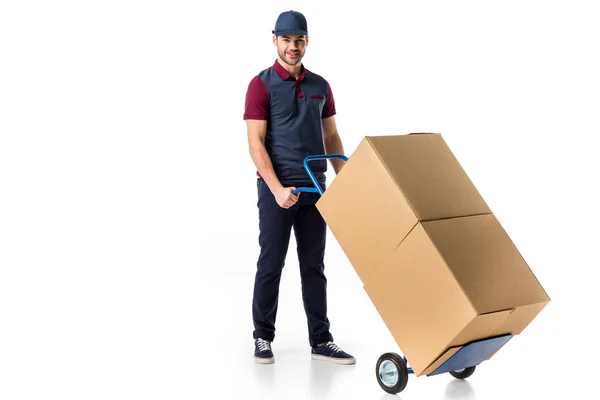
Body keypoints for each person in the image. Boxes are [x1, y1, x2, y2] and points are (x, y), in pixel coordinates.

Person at [243, 10, 355, 365]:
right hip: (277, 190)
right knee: (271, 264)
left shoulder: (320, 85)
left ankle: (321, 340)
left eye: (300, 40)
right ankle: (262, 336)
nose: (293, 47)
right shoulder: (260, 85)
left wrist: (347, 181)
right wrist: (276, 189)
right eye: (287, 40)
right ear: (274, 39)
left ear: (307, 42)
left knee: (314, 266)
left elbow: (332, 134)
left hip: (315, 190)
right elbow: (256, 144)